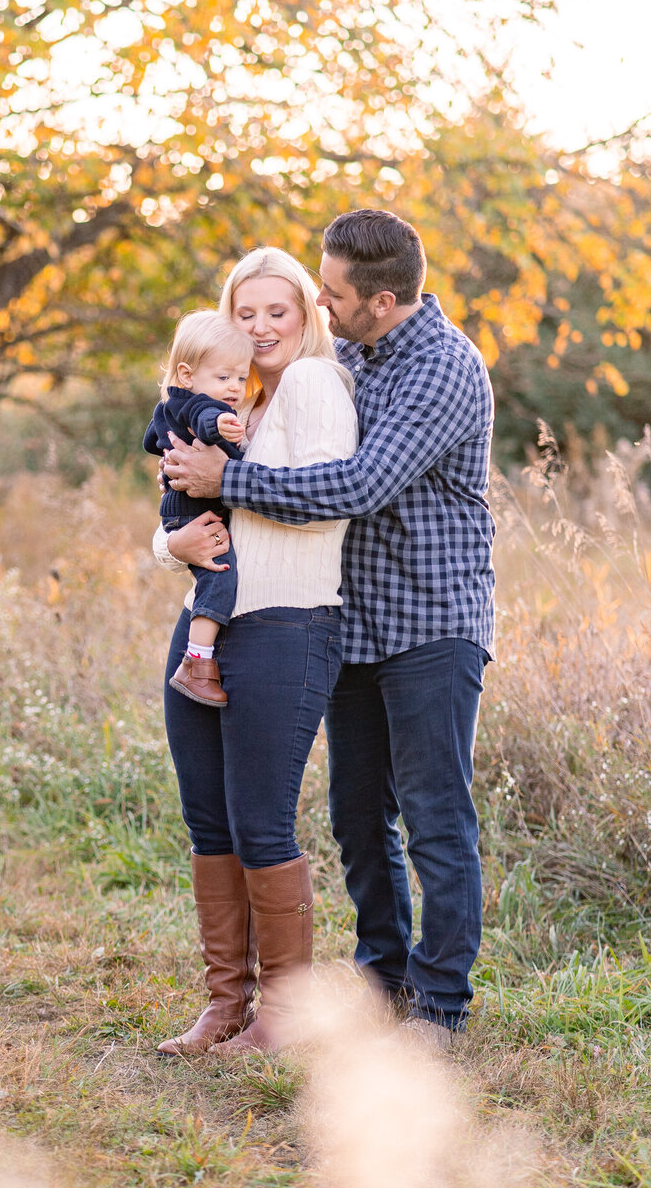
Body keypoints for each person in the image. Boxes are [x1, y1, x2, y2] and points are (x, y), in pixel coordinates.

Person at [162, 209, 495, 1048]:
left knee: (434, 814)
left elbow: (356, 486)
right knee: (356, 815)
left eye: (331, 292)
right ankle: (381, 983)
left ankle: (442, 1005)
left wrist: (226, 476)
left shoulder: (442, 369)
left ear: (381, 300)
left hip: (429, 616)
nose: (318, 300)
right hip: (353, 619)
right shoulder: (342, 353)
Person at [153, 248, 357, 1056]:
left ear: (307, 317)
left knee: (260, 823)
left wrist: (216, 486)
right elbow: (172, 513)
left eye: (280, 311)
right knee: (210, 819)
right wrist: (178, 545)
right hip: (205, 620)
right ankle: (224, 1003)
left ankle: (286, 1017)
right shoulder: (232, 397)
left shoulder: (312, 385)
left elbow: (326, 505)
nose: (262, 326)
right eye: (247, 312)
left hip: (286, 623)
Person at [143, 310, 253, 708]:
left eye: (241, 378)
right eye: (224, 377)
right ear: (187, 375)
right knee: (220, 575)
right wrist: (221, 425)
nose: (235, 388)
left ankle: (198, 659)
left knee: (215, 574)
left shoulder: (171, 403)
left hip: (181, 510)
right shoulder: (201, 407)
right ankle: (197, 663)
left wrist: (168, 451)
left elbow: (149, 440)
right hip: (193, 513)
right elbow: (205, 419)